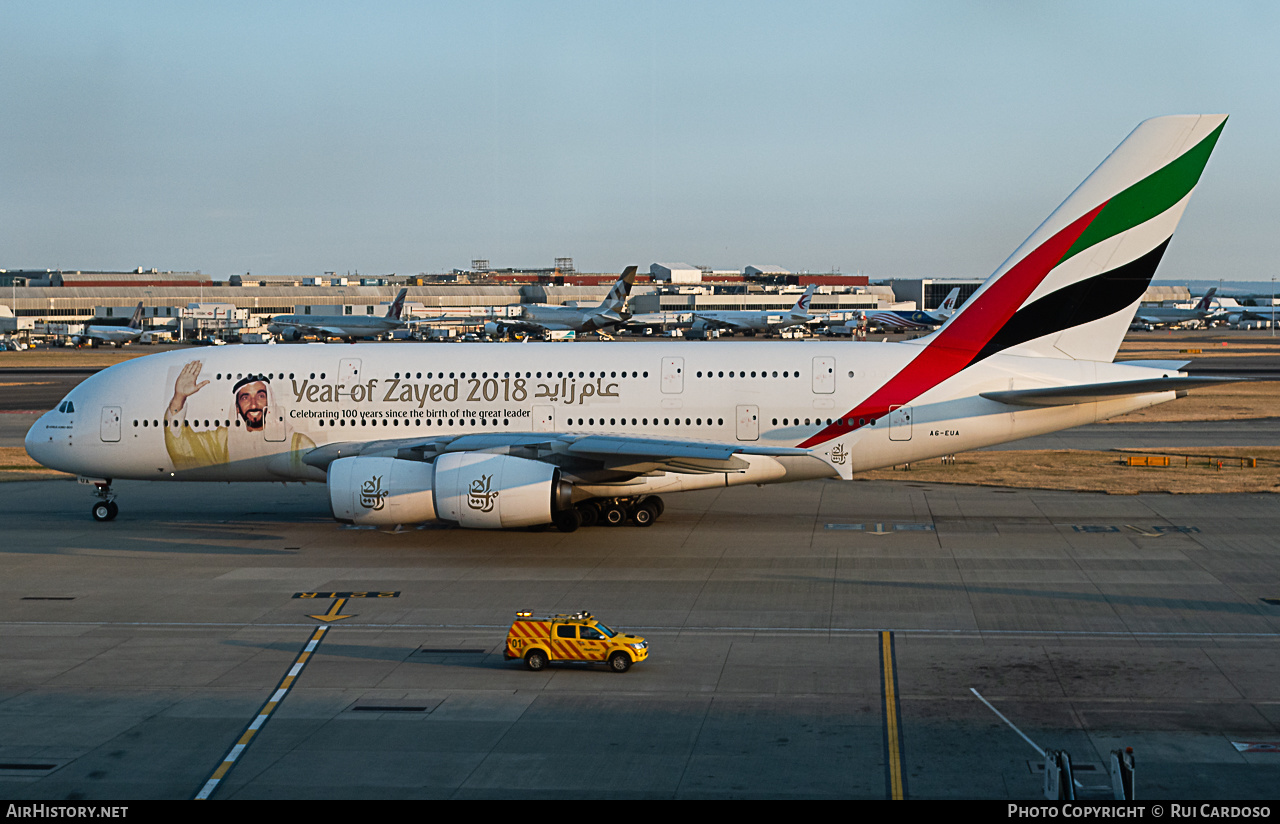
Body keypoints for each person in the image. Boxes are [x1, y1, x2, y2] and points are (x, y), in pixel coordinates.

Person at [164, 360, 314, 474]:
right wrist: (179, 397)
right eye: (245, 398)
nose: (254, 404)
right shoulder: (221, 442)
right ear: (237, 407)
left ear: (270, 402)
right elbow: (182, 447)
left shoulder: (298, 443)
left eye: (260, 396)